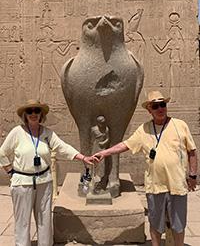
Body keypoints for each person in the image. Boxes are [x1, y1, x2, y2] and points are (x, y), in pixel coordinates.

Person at [92, 90, 198, 246]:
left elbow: (192, 151)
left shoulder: (180, 125)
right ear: (149, 110)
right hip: (155, 186)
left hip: (177, 185)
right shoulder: (144, 129)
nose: (160, 108)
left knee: (178, 224)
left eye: (163, 104)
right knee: (155, 225)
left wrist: (193, 175)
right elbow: (126, 145)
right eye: (155, 106)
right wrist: (105, 153)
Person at [0, 99, 97, 246]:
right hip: (22, 182)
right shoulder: (17, 132)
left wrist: (83, 157)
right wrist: (10, 171)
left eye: (36, 111)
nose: (33, 114)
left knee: (44, 219)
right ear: (25, 115)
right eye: (30, 111)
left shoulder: (47, 133)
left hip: (44, 181)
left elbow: (62, 147)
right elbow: (2, 152)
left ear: (41, 115)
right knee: (22, 220)